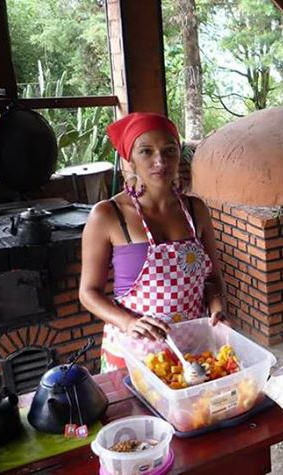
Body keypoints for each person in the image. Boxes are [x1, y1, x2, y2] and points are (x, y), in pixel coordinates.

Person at [79, 112, 227, 372]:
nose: (160, 161)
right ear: (130, 159)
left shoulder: (195, 210)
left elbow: (212, 278)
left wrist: (217, 309)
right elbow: (88, 293)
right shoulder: (109, 215)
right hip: (134, 353)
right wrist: (128, 322)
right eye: (146, 151)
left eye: (169, 151)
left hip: (191, 351)